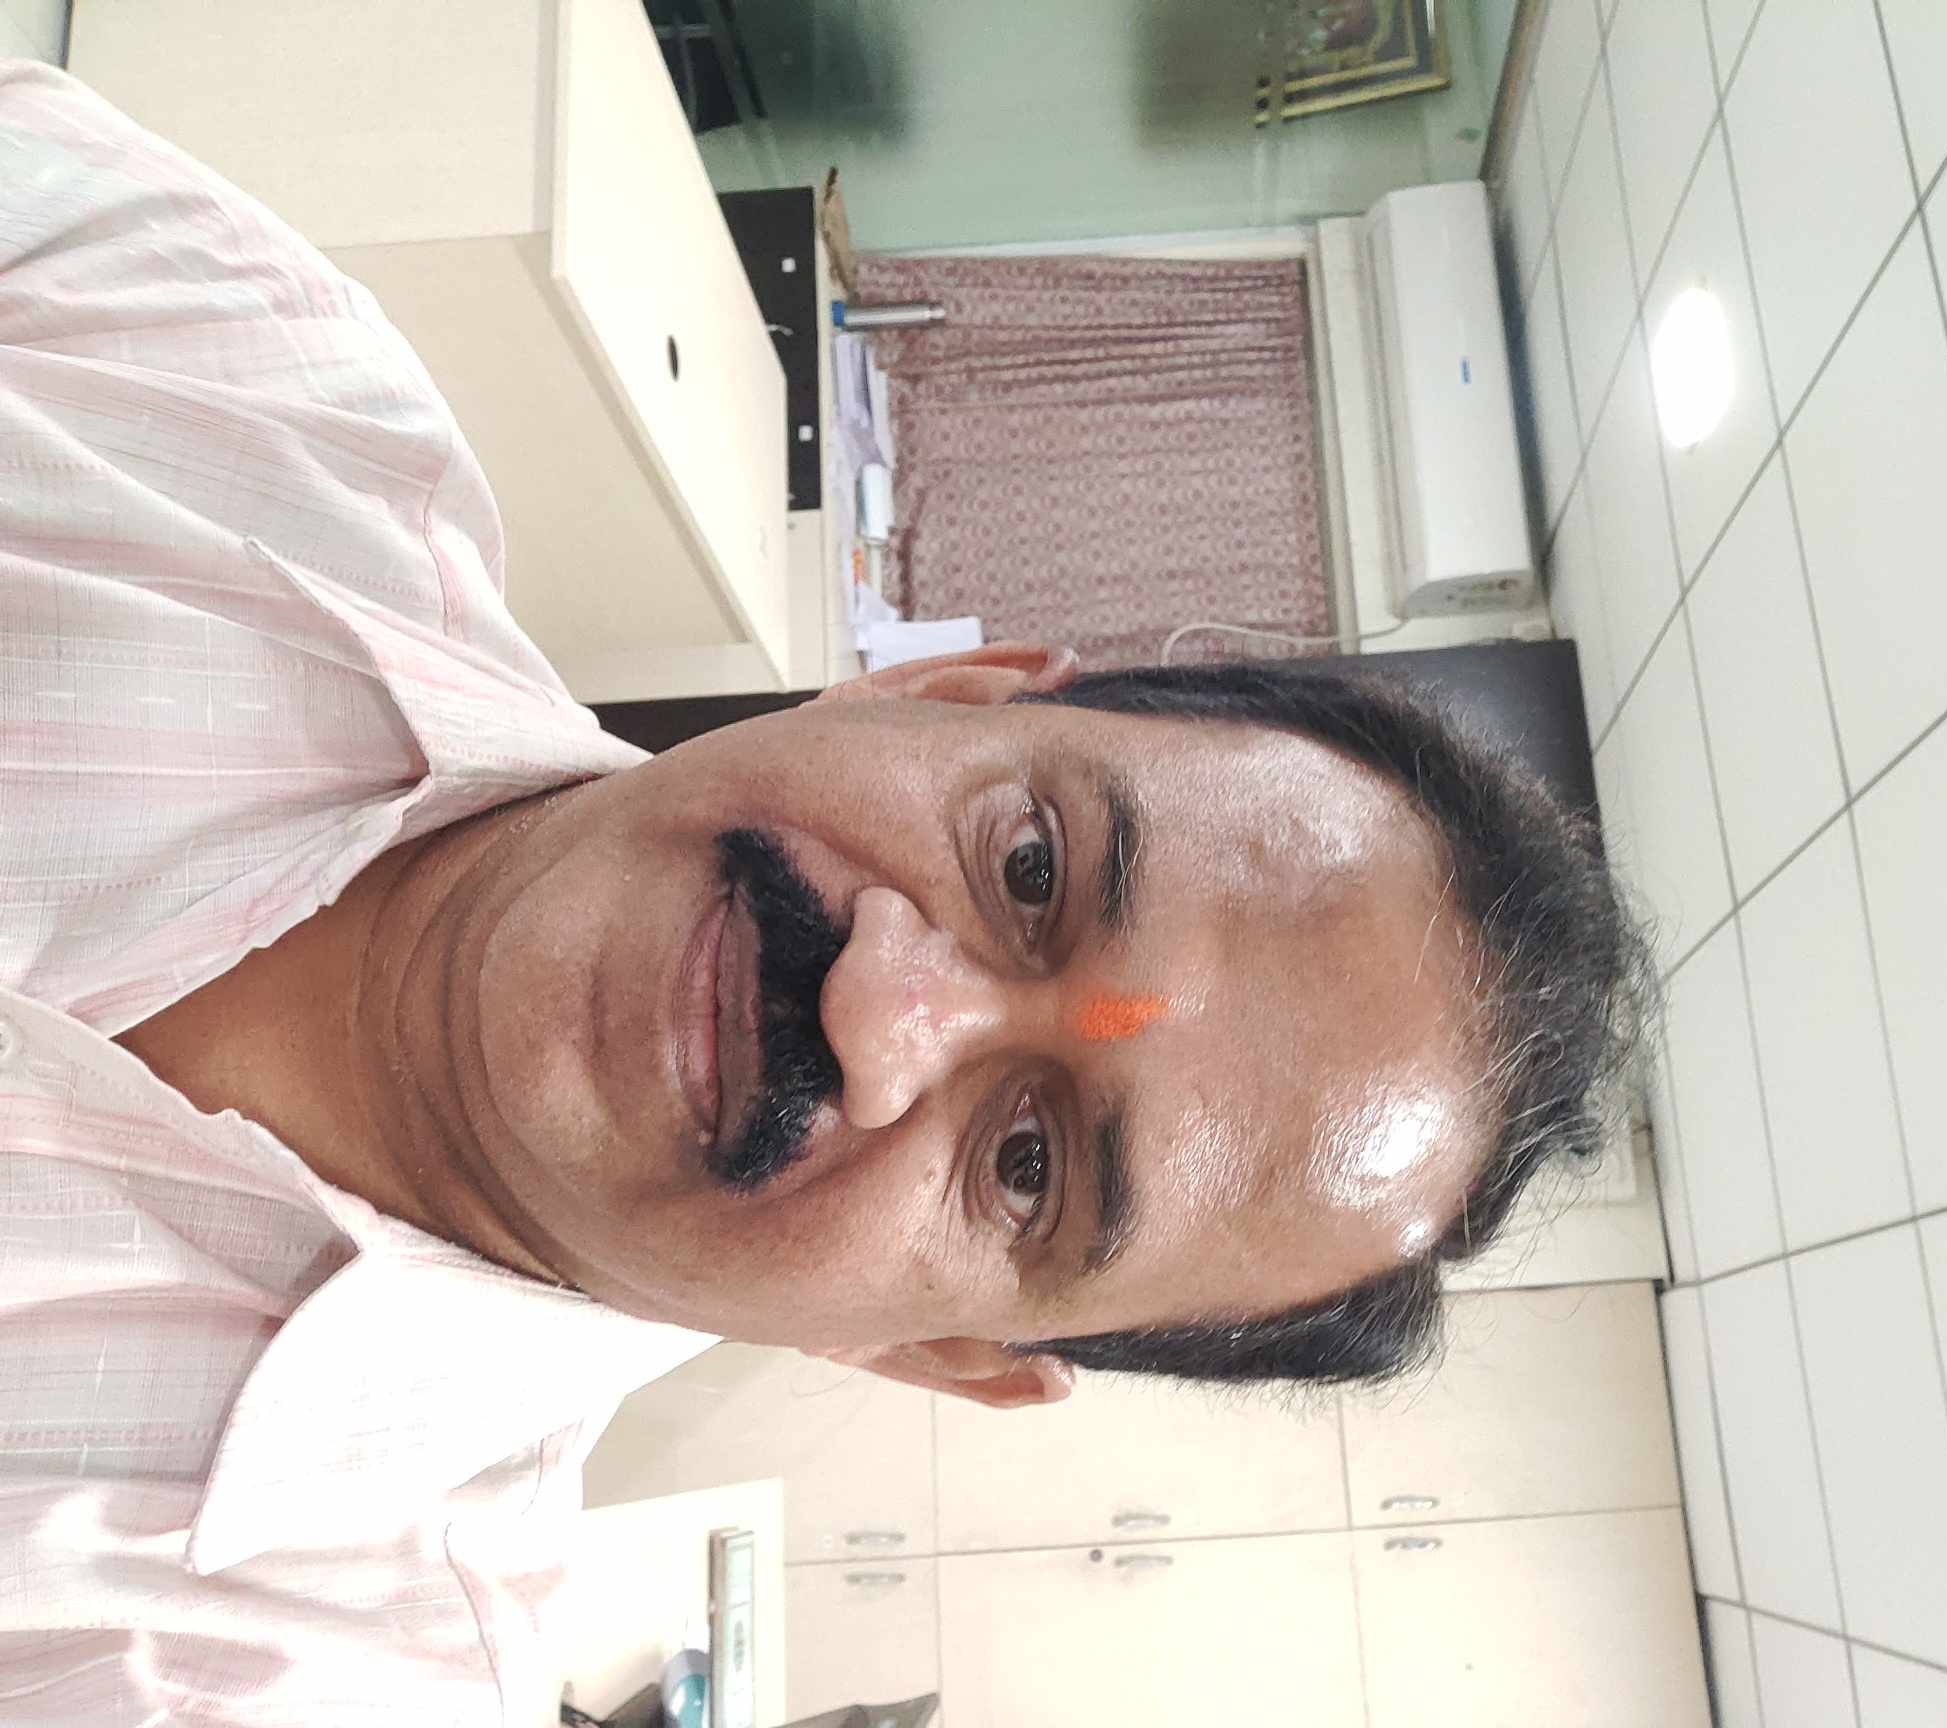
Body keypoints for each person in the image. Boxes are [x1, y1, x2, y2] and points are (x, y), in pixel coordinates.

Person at [0, 60, 1647, 1728]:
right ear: (930, 695)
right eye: (1030, 868)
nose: (881, 1009)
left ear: (934, 1356)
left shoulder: (277, 1680)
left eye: (1028, 1165)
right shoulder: (223, 377)